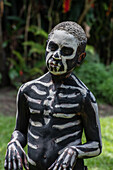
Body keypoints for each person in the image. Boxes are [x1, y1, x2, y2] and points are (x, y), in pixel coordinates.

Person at [4, 21, 102, 170]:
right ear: (46, 46)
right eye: (53, 47)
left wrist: (75, 150)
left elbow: (96, 145)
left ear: (80, 58)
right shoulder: (27, 90)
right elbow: (20, 130)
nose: (56, 56)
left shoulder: (83, 97)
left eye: (66, 51)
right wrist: (14, 142)